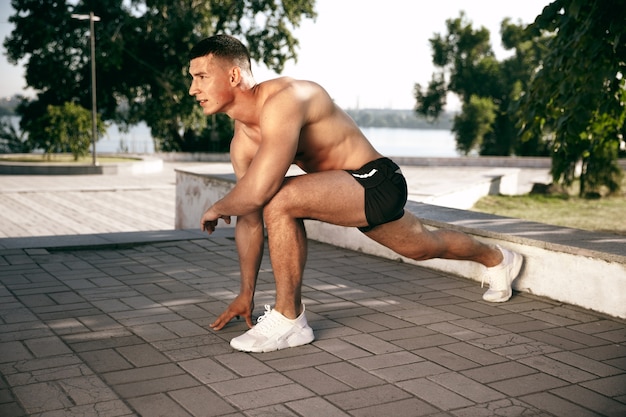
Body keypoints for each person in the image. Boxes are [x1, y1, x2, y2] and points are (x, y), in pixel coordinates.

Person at [188, 34, 523, 353]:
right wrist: (246, 291)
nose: (193, 89)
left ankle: (290, 318)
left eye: (201, 76)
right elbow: (249, 217)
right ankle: (498, 259)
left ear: (233, 75)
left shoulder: (285, 98)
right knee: (423, 247)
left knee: (279, 197)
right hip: (345, 191)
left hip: (377, 179)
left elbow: (261, 190)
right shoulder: (242, 143)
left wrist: (218, 205)